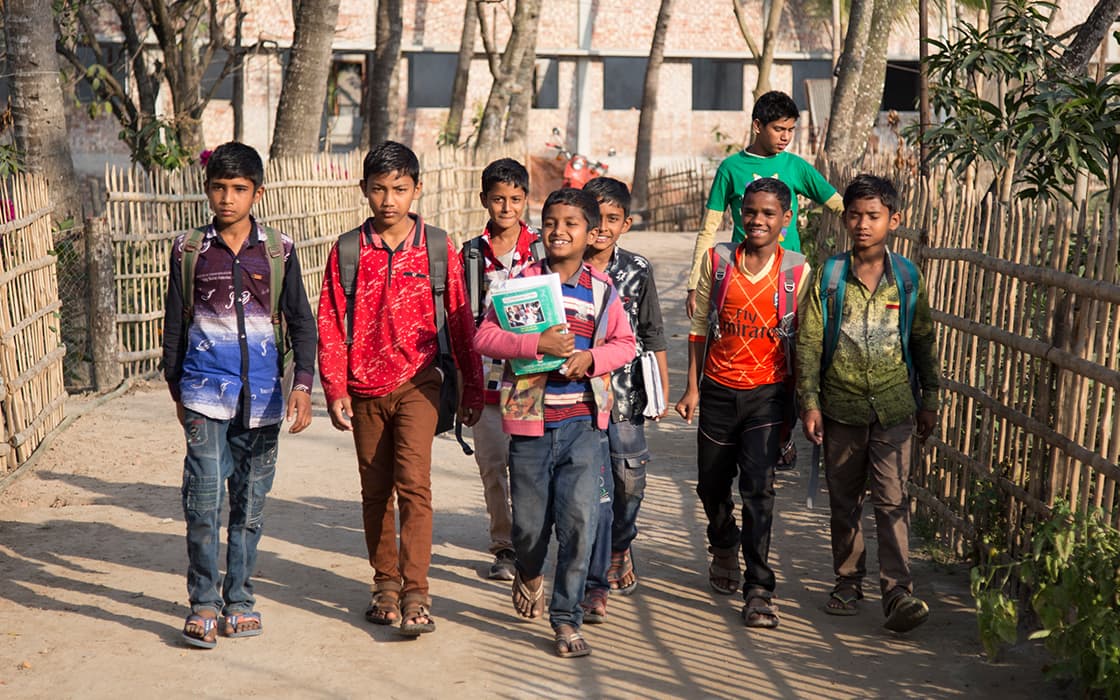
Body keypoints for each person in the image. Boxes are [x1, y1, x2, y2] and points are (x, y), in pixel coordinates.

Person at [317, 141, 484, 636]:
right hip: (364, 387)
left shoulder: (437, 247)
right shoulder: (349, 250)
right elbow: (329, 320)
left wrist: (473, 388)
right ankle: (384, 585)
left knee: (415, 484)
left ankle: (416, 593)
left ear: (417, 189)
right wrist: (335, 387)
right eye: (378, 189)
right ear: (364, 190)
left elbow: (460, 320)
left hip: (421, 382)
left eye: (399, 189)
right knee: (375, 491)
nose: (389, 200)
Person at [161, 141, 316, 649]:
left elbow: (301, 323)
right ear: (208, 190)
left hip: (265, 398)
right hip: (204, 392)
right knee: (203, 500)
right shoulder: (188, 251)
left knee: (249, 505)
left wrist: (302, 387)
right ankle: (203, 601)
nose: (228, 198)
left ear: (257, 192)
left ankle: (240, 600)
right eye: (219, 188)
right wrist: (176, 387)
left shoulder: (279, 250)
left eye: (239, 189)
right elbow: (175, 327)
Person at [474, 187, 636, 658]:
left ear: (592, 233)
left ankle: (566, 619)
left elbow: (626, 344)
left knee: (579, 521)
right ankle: (528, 570)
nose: (559, 231)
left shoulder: (602, 290)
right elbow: (485, 335)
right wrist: (535, 346)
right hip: (529, 421)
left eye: (571, 224)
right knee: (528, 526)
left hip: (583, 423)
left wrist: (592, 356)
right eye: (550, 222)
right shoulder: (518, 281)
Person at [796, 174, 940, 634]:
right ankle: (847, 580)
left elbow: (922, 341)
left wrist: (930, 399)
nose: (862, 224)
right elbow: (809, 342)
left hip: (896, 408)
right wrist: (810, 402)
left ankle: (898, 592)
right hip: (842, 409)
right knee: (844, 500)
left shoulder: (907, 278)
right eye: (854, 215)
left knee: (893, 500)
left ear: (893, 221)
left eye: (873, 216)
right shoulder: (830, 276)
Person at [675, 178, 810, 630]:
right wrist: (692, 387)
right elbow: (698, 327)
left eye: (769, 213)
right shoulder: (718, 262)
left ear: (786, 220)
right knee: (710, 486)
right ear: (739, 213)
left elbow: (806, 342)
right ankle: (723, 541)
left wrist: (804, 402)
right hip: (717, 388)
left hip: (769, 396)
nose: (757, 220)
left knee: (759, 489)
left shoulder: (797, 272)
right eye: (750, 211)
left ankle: (759, 588)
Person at [685, 90, 843, 470]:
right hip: (740, 277)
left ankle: (782, 433)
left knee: (789, 355)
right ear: (758, 126)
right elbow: (710, 229)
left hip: (786, 283)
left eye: (790, 129)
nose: (786, 136)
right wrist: (695, 282)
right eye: (778, 128)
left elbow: (835, 201)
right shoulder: (730, 169)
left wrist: (868, 220)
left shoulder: (796, 167)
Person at [577, 176, 669, 624]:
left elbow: (652, 332)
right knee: (593, 487)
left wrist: (665, 390)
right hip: (577, 397)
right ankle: (595, 564)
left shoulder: (637, 270)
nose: (601, 227)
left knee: (629, 481)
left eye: (612, 219)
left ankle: (620, 543)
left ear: (625, 224)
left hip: (627, 396)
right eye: (594, 216)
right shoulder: (560, 265)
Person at [460, 157, 545, 582]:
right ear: (484, 201)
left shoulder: (544, 250)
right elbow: (460, 318)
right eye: (498, 200)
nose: (506, 208)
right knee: (493, 465)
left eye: (515, 199)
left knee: (529, 465)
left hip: (531, 377)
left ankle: (533, 541)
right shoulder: (471, 255)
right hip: (486, 377)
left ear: (526, 200)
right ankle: (504, 545)